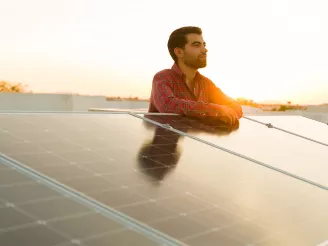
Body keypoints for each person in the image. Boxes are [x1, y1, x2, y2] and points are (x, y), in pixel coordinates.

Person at [148, 26, 243, 126]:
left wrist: (224, 114)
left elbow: (235, 106)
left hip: (197, 141)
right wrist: (217, 110)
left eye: (204, 45)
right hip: (164, 141)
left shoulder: (206, 83)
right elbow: (168, 105)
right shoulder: (163, 77)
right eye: (197, 45)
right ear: (179, 52)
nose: (205, 50)